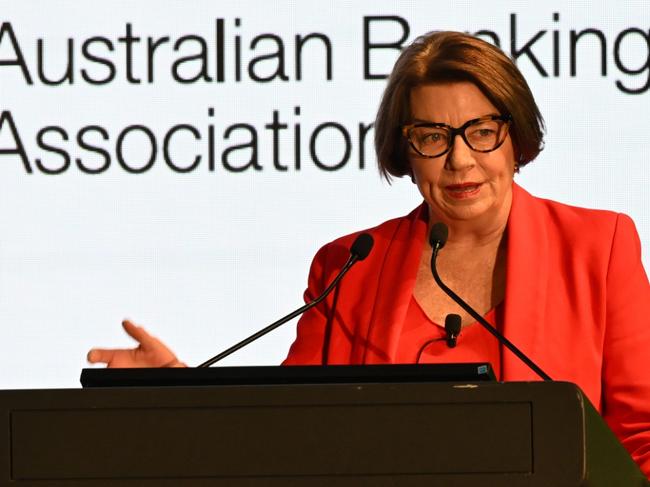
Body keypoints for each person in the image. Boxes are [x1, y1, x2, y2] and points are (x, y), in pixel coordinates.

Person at [87, 31, 650, 477]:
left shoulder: (598, 249)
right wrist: (181, 393)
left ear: (516, 137)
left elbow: (640, 440)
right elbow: (284, 434)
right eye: (432, 136)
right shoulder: (349, 265)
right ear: (405, 151)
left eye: (481, 130)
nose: (458, 160)